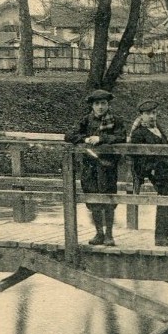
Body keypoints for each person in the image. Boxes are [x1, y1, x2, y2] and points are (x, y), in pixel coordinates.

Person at [65, 89, 126, 247]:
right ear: (92, 106)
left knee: (108, 198)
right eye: (97, 104)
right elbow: (69, 135)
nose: (100, 107)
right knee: (92, 198)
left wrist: (101, 138)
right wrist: (85, 138)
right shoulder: (86, 120)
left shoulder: (116, 120)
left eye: (103, 103)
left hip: (107, 166)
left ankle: (109, 235)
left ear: (108, 105)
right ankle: (99, 233)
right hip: (90, 166)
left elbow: (121, 136)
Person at [129, 100, 168, 247]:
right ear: (141, 115)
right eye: (148, 113)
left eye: (154, 113)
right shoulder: (138, 133)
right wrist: (150, 170)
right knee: (166, 200)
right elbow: (137, 157)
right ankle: (164, 236)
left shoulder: (157, 128)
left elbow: (166, 146)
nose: (152, 116)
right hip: (157, 171)